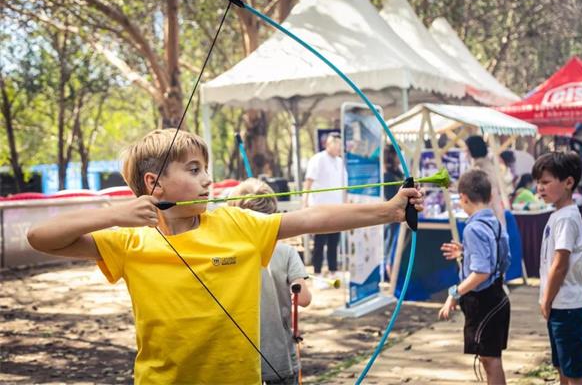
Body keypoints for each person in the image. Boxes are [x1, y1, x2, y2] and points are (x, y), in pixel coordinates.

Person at [26, 128, 423, 385]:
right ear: (155, 182)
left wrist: (388, 211)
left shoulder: (236, 223)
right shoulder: (130, 242)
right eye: (194, 169)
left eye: (206, 169)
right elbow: (39, 237)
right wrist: (114, 214)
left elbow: (310, 218)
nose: (207, 180)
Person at [228, 178, 311, 385]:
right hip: (279, 356)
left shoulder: (227, 253)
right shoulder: (286, 251)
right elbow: (304, 299)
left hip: (239, 359)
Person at [439, 169, 511, 385]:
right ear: (489, 197)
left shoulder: (473, 229)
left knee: (490, 360)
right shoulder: (495, 222)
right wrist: (465, 253)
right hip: (498, 296)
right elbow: (502, 260)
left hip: (484, 303)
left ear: (463, 198)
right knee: (490, 358)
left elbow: (481, 272)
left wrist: (454, 293)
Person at [532, 152, 582, 385]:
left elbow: (560, 264)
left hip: (568, 307)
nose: (540, 188)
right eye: (538, 182)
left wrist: (546, 299)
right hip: (560, 307)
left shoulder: (566, 218)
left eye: (546, 182)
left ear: (568, 182)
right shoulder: (559, 215)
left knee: (574, 372)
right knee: (562, 366)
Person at [303, 133, 346, 279]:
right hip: (319, 208)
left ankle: (333, 270)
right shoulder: (318, 159)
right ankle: (317, 272)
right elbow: (308, 182)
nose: (339, 147)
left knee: (334, 241)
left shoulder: (340, 162)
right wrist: (305, 203)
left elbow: (344, 186)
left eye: (340, 144)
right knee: (319, 242)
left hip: (337, 208)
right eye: (336, 143)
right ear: (328, 144)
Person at [465, 135, 506, 227]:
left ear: (472, 150)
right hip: (494, 215)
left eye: (467, 150)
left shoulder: (480, 169)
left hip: (488, 218)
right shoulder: (487, 165)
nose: (465, 153)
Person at [383, 144, 404, 280]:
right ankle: (389, 273)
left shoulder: (399, 173)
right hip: (392, 218)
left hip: (400, 216)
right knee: (390, 245)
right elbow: (390, 197)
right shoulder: (388, 176)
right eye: (398, 154)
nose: (400, 158)